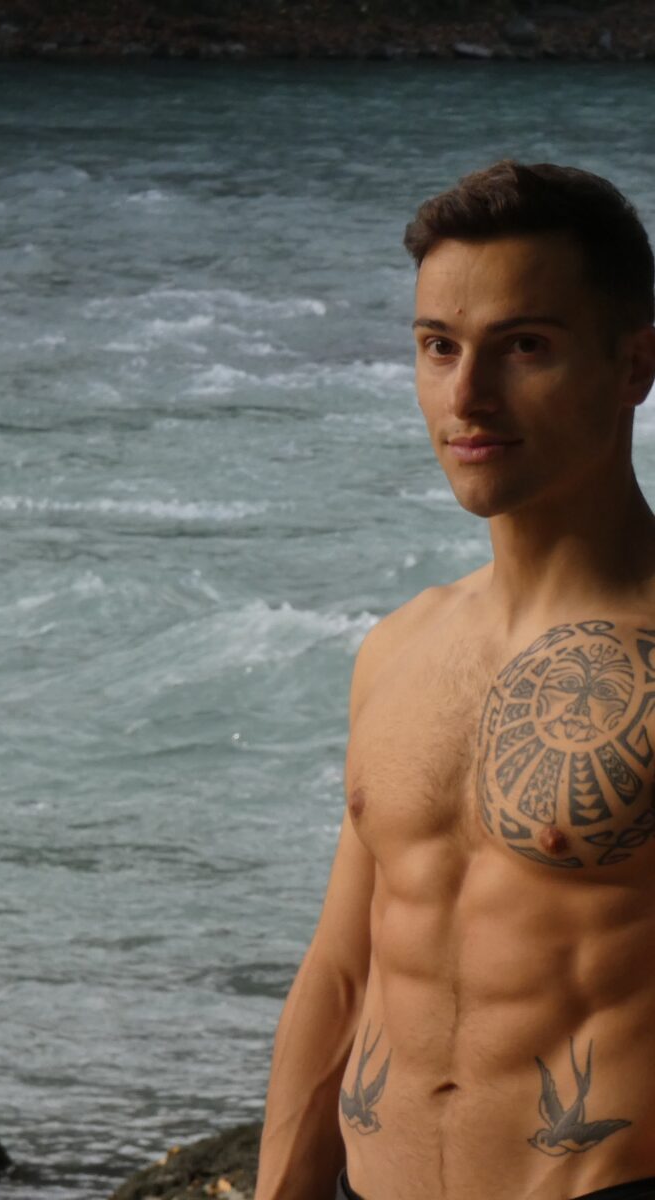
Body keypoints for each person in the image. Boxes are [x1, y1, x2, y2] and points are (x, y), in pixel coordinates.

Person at [253, 160, 655, 1200]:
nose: (465, 397)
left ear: (633, 363)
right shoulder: (398, 647)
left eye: (524, 346)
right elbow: (344, 970)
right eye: (438, 346)